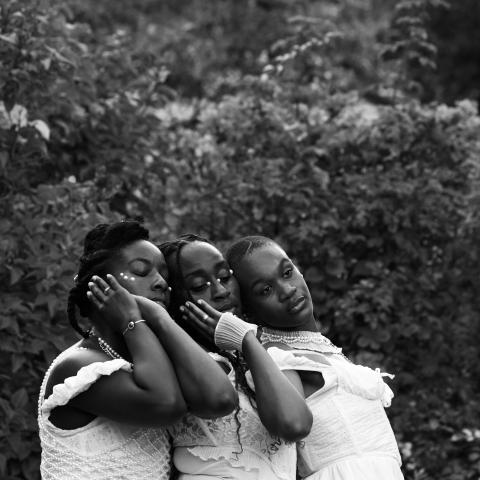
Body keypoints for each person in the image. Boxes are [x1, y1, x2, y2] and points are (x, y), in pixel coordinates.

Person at [38, 221, 237, 480]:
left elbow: (221, 399)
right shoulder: (77, 366)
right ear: (99, 285)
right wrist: (134, 321)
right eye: (142, 271)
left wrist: (160, 318)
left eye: (164, 275)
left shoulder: (149, 363)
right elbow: (166, 405)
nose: (160, 283)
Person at [225, 235, 404, 480]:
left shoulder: (323, 349)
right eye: (265, 290)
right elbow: (290, 424)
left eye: (287, 273)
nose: (287, 290)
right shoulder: (277, 356)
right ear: (248, 309)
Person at [159, 234, 313, 480]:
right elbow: (293, 426)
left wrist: (246, 341)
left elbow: (297, 423)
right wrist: (245, 339)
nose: (220, 291)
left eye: (224, 277)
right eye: (199, 286)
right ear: (175, 298)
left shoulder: (256, 355)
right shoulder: (181, 362)